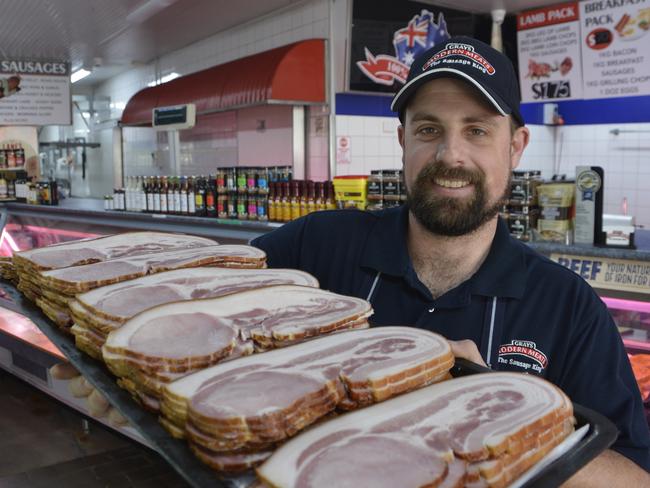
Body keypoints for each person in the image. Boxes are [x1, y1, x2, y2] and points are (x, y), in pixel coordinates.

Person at [252, 36, 650, 483]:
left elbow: (633, 478)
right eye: (428, 130)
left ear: (516, 146)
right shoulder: (318, 245)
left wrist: (500, 410)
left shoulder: (568, 307)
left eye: (476, 130)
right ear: (404, 140)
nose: (450, 155)